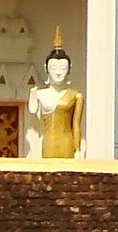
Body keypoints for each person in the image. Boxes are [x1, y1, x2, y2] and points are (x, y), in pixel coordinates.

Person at [28, 32, 84, 160]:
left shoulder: (76, 96)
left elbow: (76, 124)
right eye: (53, 68)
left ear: (69, 69)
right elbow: (32, 114)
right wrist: (33, 95)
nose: (58, 73)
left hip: (67, 143)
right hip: (48, 142)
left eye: (63, 68)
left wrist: (78, 150)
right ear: (46, 68)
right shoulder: (40, 94)